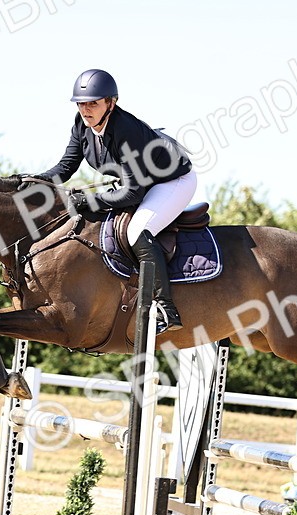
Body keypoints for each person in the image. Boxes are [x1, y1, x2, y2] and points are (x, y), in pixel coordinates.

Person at [24, 69, 196, 334]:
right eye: (81, 103)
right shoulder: (82, 125)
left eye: (93, 103)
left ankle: (166, 308)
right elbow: (67, 166)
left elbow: (132, 194)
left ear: (111, 103)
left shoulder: (124, 130)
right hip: (142, 181)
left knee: (138, 230)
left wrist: (89, 200)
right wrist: (35, 180)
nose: (85, 109)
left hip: (172, 182)